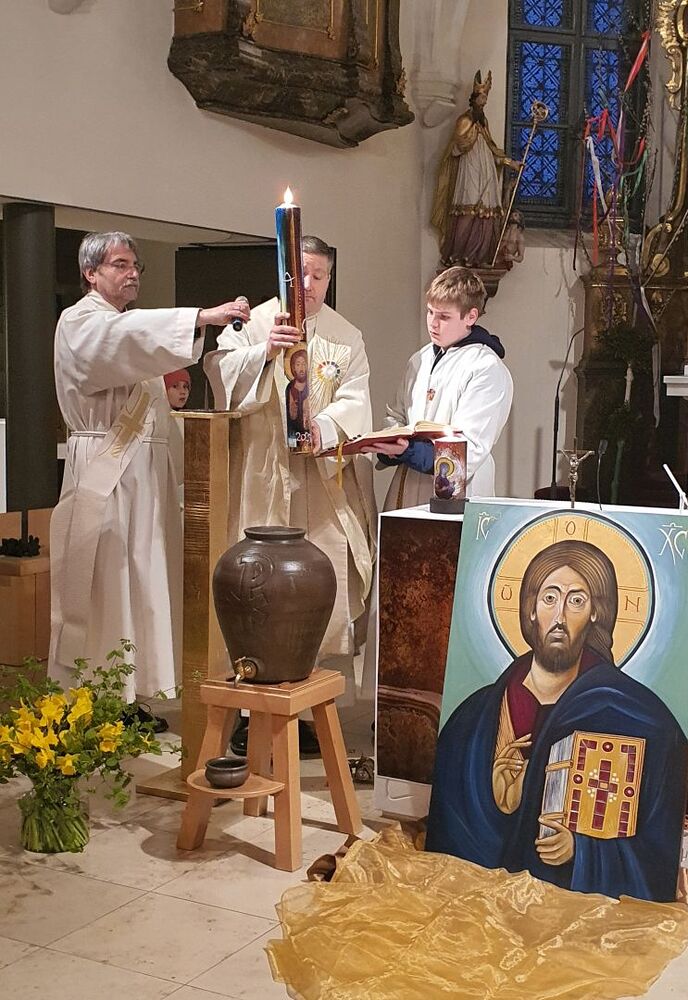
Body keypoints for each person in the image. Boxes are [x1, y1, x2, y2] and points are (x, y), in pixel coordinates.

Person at [49, 231, 249, 721]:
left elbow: (143, 360)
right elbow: (122, 339)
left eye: (136, 265)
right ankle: (96, 698)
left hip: (141, 474)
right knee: (108, 583)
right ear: (91, 273)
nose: (132, 272)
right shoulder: (80, 321)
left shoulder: (125, 328)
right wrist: (200, 317)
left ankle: (130, 693)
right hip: (106, 468)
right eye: (120, 264)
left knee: (140, 581)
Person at [426, 540, 688, 903]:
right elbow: (452, 840)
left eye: (577, 600)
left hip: (576, 910)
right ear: (531, 608)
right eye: (549, 598)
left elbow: (657, 848)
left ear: (596, 612)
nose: (560, 617)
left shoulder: (640, 717)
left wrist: (583, 851)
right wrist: (496, 803)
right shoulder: (473, 719)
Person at [204, 235, 377, 752]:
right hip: (262, 473)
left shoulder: (346, 337)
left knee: (314, 589)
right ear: (285, 275)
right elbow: (219, 373)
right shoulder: (255, 323)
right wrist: (264, 353)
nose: (310, 284)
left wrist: (323, 427)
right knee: (257, 587)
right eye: (302, 274)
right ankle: (247, 710)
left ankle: (304, 711)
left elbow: (356, 398)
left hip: (318, 481)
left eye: (320, 275)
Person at [368, 267, 512, 510]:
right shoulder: (419, 359)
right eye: (430, 312)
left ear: (471, 316)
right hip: (408, 482)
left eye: (444, 317)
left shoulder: (486, 367)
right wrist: (391, 442)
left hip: (458, 493)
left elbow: (471, 447)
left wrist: (410, 451)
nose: (433, 324)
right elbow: (396, 415)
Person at [431, 70, 521, 267]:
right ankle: (458, 254)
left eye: (486, 97)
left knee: (486, 212)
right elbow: (458, 145)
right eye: (481, 97)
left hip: (485, 169)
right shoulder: (464, 120)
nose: (484, 101)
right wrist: (470, 136)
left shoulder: (483, 122)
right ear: (473, 99)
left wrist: (509, 162)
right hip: (469, 169)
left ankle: (479, 256)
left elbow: (491, 147)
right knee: (467, 209)